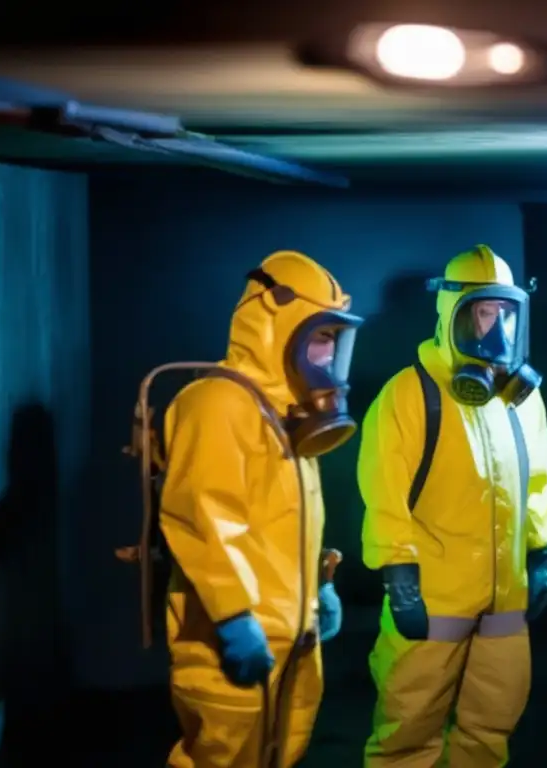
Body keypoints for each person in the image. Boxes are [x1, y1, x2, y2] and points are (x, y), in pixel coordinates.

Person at [159, 250, 361, 767]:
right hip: (234, 636)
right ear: (278, 326)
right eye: (320, 337)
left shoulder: (284, 414)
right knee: (220, 755)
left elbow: (290, 521)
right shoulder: (218, 403)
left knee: (280, 753)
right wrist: (232, 617)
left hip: (294, 633)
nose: (327, 355)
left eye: (334, 342)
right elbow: (203, 517)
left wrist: (321, 584)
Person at [359, 244, 547, 767]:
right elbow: (384, 492)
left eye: (506, 314)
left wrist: (542, 551)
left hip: (505, 603)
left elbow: (537, 479)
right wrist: (397, 571)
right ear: (453, 314)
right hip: (432, 603)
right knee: (407, 735)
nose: (496, 328)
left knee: (490, 731)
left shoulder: (520, 399)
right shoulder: (409, 394)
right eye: (484, 313)